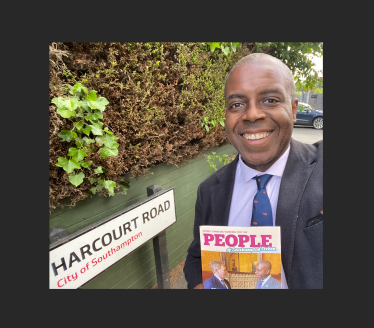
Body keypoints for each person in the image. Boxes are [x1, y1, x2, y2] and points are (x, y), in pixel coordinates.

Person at [183, 53, 323, 289]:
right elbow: (197, 259)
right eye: (237, 105)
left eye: (270, 100)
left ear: (293, 108)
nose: (252, 114)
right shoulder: (209, 191)